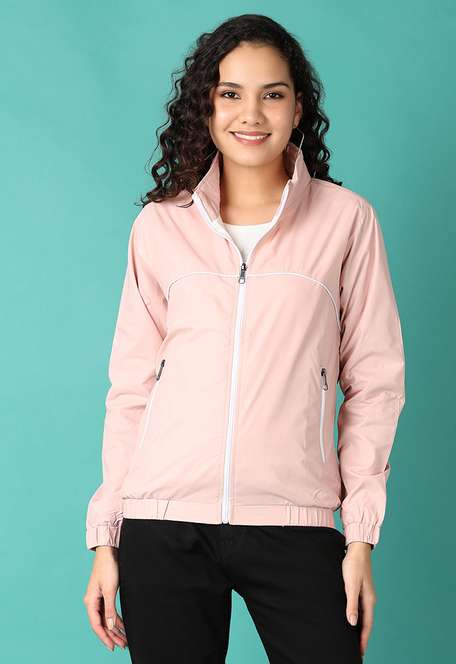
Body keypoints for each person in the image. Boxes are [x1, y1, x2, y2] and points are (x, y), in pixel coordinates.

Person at [83, 13, 405, 663]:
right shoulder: (160, 227)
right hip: (163, 523)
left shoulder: (346, 222)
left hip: (294, 520)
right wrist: (107, 537)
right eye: (230, 93)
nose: (250, 114)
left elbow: (375, 383)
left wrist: (360, 537)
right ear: (206, 106)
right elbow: (132, 390)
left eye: (272, 94)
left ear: (298, 108)